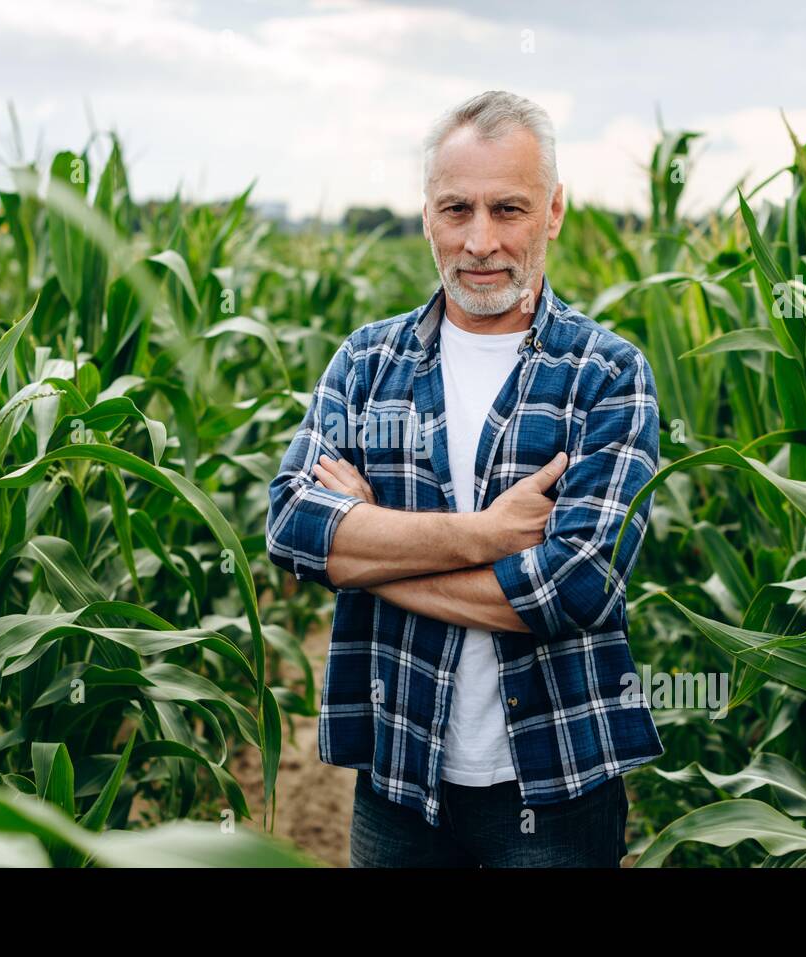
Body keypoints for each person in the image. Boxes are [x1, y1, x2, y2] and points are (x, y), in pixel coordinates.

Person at [265, 89, 663, 867]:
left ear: (552, 210)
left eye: (508, 209)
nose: (480, 241)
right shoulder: (367, 363)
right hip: (401, 777)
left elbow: (575, 584)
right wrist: (483, 536)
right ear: (425, 216)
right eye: (456, 210)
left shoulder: (607, 375)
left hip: (556, 780)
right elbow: (291, 527)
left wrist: (369, 559)